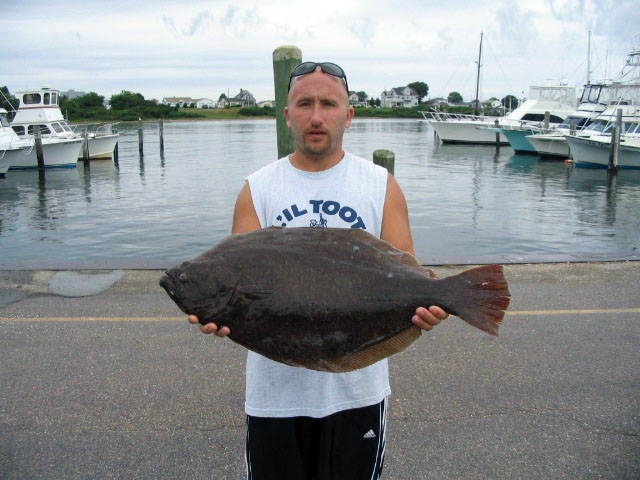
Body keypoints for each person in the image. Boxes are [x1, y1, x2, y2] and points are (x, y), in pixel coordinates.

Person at [188, 61, 448, 479]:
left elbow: (410, 277)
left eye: (328, 104)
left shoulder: (381, 185)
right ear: (287, 114)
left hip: (357, 395)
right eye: (304, 103)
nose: (316, 116)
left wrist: (430, 305)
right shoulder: (258, 189)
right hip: (275, 398)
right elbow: (237, 279)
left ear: (348, 115)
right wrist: (221, 313)